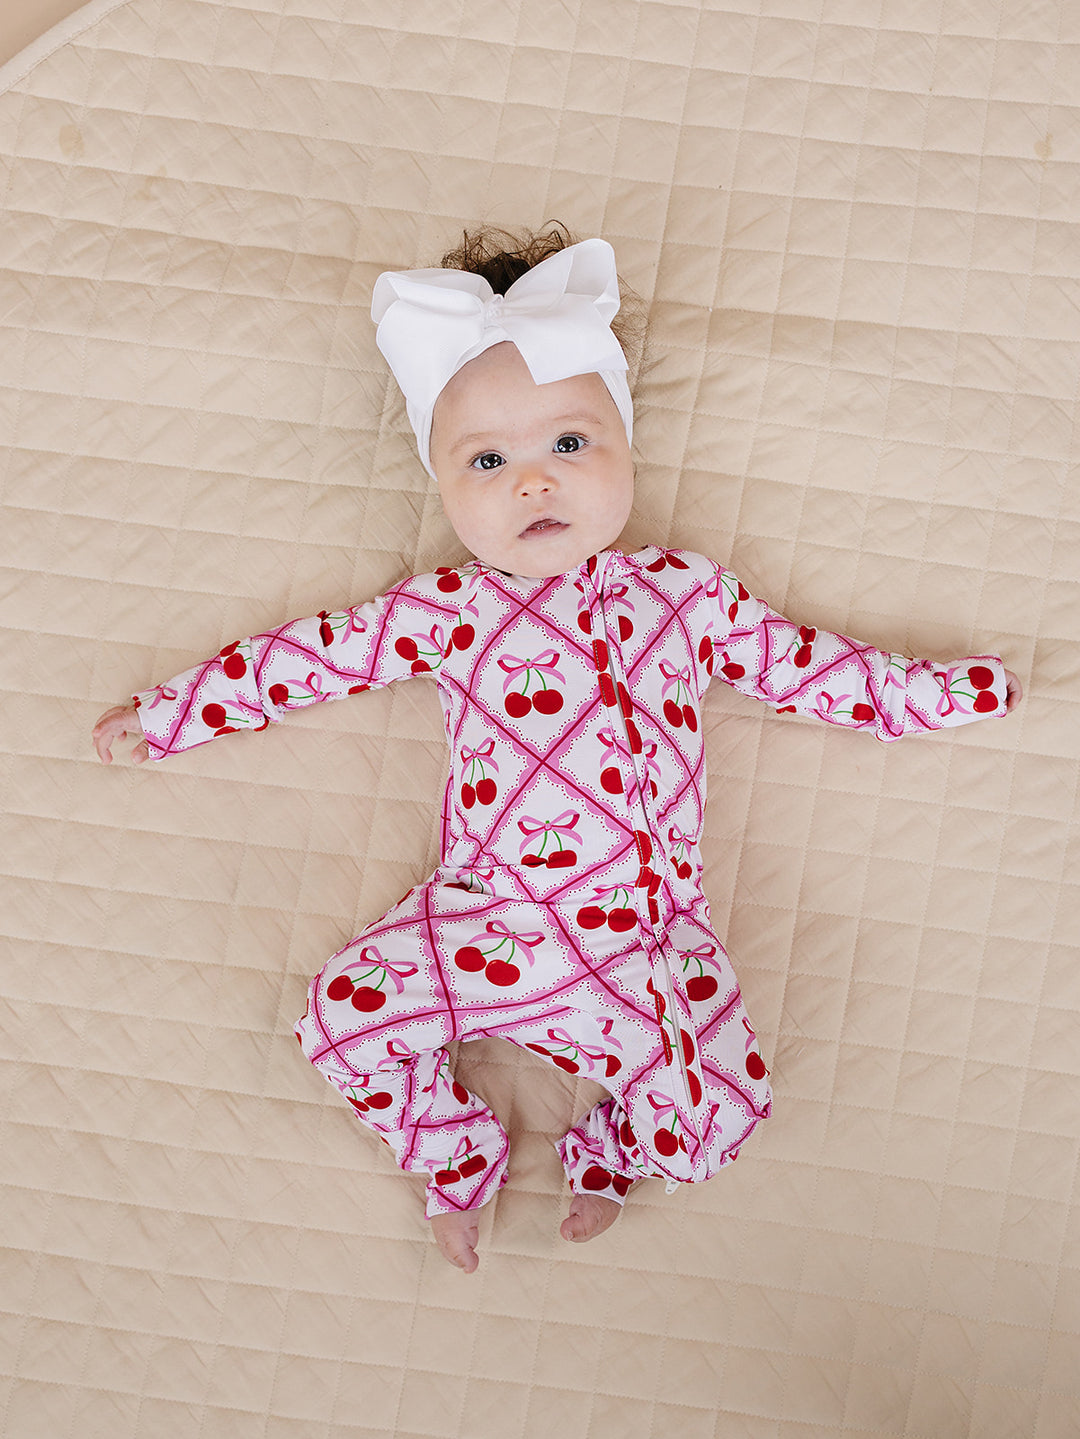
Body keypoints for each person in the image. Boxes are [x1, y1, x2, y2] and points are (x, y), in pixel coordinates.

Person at [94, 227, 1022, 1274]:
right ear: (445, 488)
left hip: (643, 937)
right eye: (488, 461)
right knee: (334, 1018)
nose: (533, 483)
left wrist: (934, 693)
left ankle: (611, 1146)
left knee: (721, 1118)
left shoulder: (684, 594)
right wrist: (169, 713)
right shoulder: (447, 607)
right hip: (484, 915)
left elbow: (807, 666)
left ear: (625, 448)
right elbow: (310, 657)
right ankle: (454, 1150)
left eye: (569, 445)